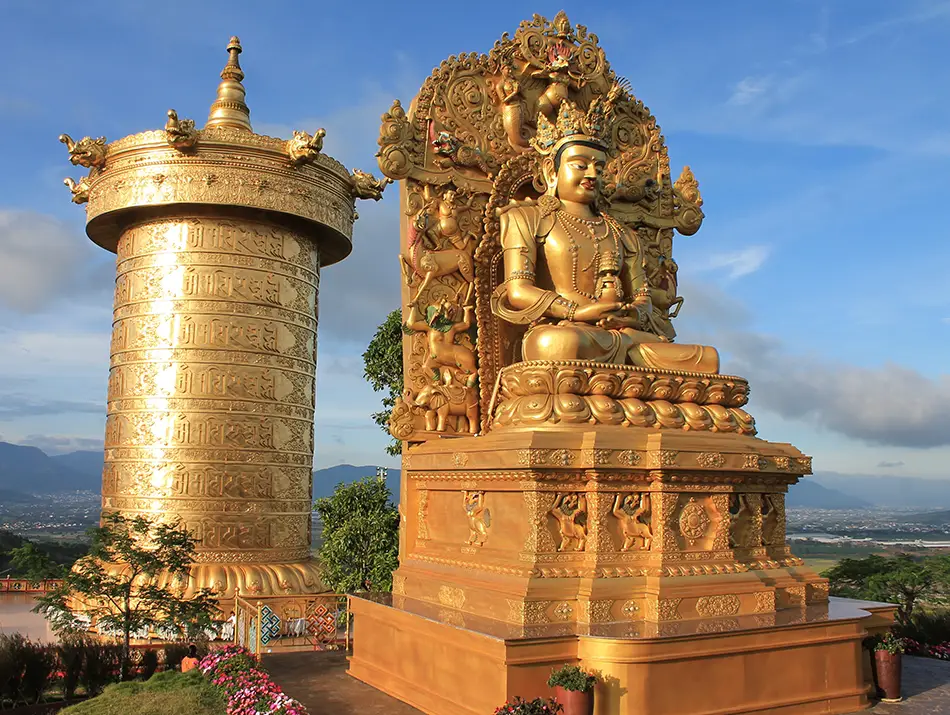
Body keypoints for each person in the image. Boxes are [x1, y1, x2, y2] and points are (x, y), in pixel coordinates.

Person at [491, 94, 719, 374]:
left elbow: (643, 299)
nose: (591, 174)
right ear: (552, 171)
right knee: (556, 344)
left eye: (599, 168)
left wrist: (630, 313)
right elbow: (517, 291)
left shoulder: (621, 233)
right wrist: (576, 313)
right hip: (566, 331)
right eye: (580, 165)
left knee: (707, 359)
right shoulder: (526, 218)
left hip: (622, 336)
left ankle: (622, 376)